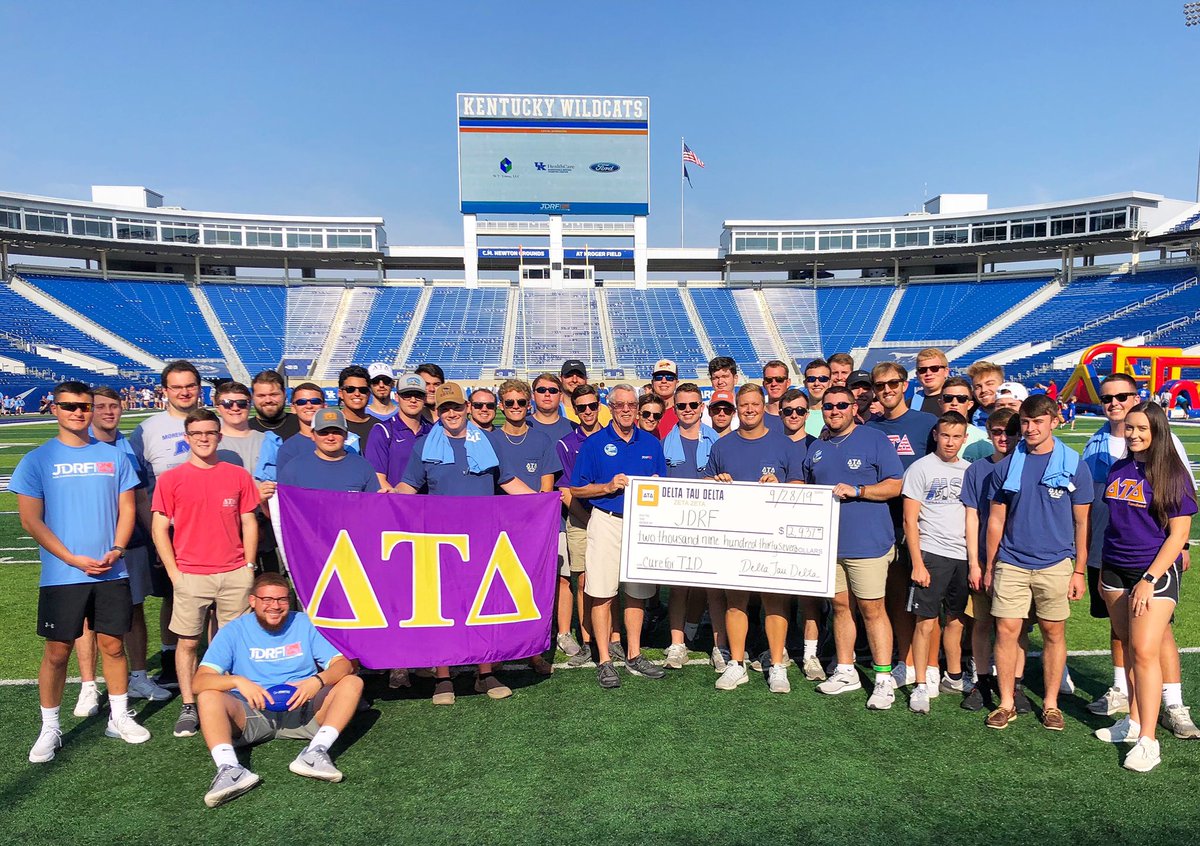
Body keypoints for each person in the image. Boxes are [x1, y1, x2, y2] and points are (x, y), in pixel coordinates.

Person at [15, 381, 148, 763]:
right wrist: (72, 559)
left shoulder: (114, 457)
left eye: (85, 406)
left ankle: (119, 715)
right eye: (70, 406)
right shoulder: (37, 460)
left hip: (111, 570)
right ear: (54, 409)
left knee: (112, 645)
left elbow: (127, 509)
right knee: (57, 652)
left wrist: (117, 549)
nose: (78, 412)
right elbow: (30, 521)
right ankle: (50, 727)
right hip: (63, 574)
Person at [395, 382, 536, 704]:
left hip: (482, 538)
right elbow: (409, 485)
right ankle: (443, 677)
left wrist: (541, 502)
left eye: (457, 407)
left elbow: (508, 481)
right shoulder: (424, 447)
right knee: (443, 609)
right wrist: (380, 504)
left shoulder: (488, 441)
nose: (452, 413)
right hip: (441, 541)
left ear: (467, 409)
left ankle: (484, 673)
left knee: (482, 608)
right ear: (437, 412)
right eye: (445, 409)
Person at [1082, 373, 1199, 738]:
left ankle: (1161, 721)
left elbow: (1180, 526)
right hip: (1112, 565)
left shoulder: (1170, 462)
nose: (1133, 433)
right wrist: (1097, 565)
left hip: (1152, 567)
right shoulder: (1115, 459)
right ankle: (1132, 721)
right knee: (1129, 644)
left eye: (1140, 428)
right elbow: (1108, 515)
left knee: (1149, 645)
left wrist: (1160, 568)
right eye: (1130, 428)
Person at [193, 572, 364, 807]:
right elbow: (199, 681)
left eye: (282, 599)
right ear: (252, 601)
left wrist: (317, 680)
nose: (275, 606)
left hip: (303, 709)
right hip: (253, 713)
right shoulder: (233, 631)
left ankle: (315, 752)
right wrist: (237, 681)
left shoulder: (304, 622)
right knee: (208, 696)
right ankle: (229, 770)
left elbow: (344, 664)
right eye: (267, 600)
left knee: (353, 682)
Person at [983, 394, 1093, 731]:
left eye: (1037, 422)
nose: (1030, 429)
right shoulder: (1006, 466)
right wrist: (990, 566)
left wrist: (1078, 570)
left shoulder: (1074, 464)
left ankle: (1050, 704)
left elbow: (1082, 524)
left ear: (1054, 421)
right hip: (1012, 561)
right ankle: (1006, 702)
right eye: (1026, 423)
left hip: (1057, 563)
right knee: (1006, 631)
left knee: (1053, 632)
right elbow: (996, 521)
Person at [151, 408, 261, 740]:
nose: (203, 438)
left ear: (219, 435)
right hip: (191, 575)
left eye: (209, 433)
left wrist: (249, 566)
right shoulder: (171, 479)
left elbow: (249, 521)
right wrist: (174, 572)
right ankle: (189, 704)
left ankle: (224, 698)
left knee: (229, 643)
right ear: (187, 438)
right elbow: (159, 528)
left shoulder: (237, 474)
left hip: (234, 573)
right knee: (187, 643)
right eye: (197, 433)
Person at [805, 386, 903, 710]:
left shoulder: (874, 439)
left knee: (873, 610)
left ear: (853, 408)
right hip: (831, 545)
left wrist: (859, 490)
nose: (834, 410)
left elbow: (895, 484)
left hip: (868, 544)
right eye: (829, 406)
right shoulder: (816, 448)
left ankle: (884, 679)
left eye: (841, 405)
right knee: (841, 607)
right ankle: (846, 670)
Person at [706, 384, 806, 694]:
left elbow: (801, 484)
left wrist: (781, 485)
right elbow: (706, 483)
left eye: (755, 404)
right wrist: (717, 481)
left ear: (764, 407)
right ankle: (737, 664)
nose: (749, 409)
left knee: (773, 601)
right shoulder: (722, 446)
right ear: (736, 410)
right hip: (734, 536)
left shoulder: (784, 443)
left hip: (772, 537)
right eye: (744, 405)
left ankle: (777, 665)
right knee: (735, 602)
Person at [75, 387, 171, 710]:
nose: (107, 412)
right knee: (87, 614)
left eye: (113, 406)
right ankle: (88, 684)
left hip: (130, 542)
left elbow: (141, 497)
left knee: (134, 607)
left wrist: (156, 539)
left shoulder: (128, 448)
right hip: (91, 544)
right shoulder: (80, 447)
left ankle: (139, 675)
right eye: (99, 406)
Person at [569, 384, 668, 689]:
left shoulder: (651, 444)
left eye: (632, 405)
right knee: (602, 591)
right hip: (607, 520)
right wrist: (608, 486)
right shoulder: (595, 444)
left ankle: (634, 654)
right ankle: (604, 659)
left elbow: (663, 487)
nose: (626, 409)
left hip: (641, 524)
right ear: (609, 407)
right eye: (620, 404)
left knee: (637, 592)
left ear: (638, 408)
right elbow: (577, 488)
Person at [129, 360, 202, 690]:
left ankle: (217, 658)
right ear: (165, 391)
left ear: (199, 388)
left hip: (213, 523)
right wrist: (154, 533)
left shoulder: (215, 422)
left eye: (190, 385)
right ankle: (173, 659)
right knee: (174, 596)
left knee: (217, 597)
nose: (184, 392)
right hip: (170, 527)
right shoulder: (147, 429)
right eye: (177, 386)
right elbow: (137, 485)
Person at [865, 362, 937, 690]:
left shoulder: (927, 424)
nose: (887, 390)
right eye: (880, 386)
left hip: (924, 525)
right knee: (895, 597)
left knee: (926, 598)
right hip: (885, 523)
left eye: (893, 383)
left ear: (905, 385)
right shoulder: (869, 429)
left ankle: (931, 666)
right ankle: (903, 660)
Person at [961, 408, 1030, 713]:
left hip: (1021, 558)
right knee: (982, 621)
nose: (1005, 438)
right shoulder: (978, 469)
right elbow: (972, 516)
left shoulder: (1030, 465)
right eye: (998, 432)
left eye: (1011, 432)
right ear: (988, 434)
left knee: (1019, 626)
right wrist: (975, 562)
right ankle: (983, 679)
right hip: (987, 557)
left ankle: (1015, 682)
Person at [902, 412, 972, 713]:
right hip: (932, 553)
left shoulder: (970, 471)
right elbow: (910, 519)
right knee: (926, 621)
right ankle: (920, 684)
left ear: (965, 439)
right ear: (936, 435)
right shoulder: (921, 468)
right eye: (945, 435)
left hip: (963, 556)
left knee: (956, 618)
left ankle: (953, 676)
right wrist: (917, 562)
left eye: (957, 437)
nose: (950, 442)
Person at [492, 379, 561, 676]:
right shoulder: (490, 439)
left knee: (531, 592)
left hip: (532, 529)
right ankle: (493, 654)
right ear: (501, 406)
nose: (517, 407)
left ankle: (533, 652)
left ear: (529, 403)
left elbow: (547, 490)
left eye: (521, 402)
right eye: (510, 403)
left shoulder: (541, 440)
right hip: (497, 529)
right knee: (496, 593)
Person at [661, 382, 719, 670]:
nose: (687, 410)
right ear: (674, 408)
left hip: (710, 521)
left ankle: (708, 638)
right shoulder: (665, 443)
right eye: (681, 405)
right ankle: (677, 642)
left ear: (701, 407)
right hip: (677, 522)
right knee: (678, 586)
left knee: (710, 584)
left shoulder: (716, 441)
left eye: (693, 405)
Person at [557, 384, 606, 667]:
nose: (587, 411)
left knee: (611, 581)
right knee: (583, 580)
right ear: (574, 410)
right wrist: (590, 520)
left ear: (598, 405)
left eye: (592, 406)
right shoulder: (565, 443)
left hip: (612, 520)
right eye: (581, 407)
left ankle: (612, 639)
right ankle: (587, 640)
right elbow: (565, 491)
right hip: (580, 519)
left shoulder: (611, 436)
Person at [780, 387, 825, 681]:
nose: (794, 415)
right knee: (779, 595)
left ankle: (810, 654)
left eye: (799, 410)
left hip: (808, 529)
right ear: (780, 413)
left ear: (807, 414)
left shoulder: (818, 445)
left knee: (810, 597)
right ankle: (779, 647)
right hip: (776, 527)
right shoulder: (770, 443)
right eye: (788, 411)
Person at [279, 409, 382, 493]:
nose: (330, 437)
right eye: (323, 432)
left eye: (337, 432)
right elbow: (281, 510)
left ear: (346, 434)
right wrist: (266, 502)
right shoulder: (294, 469)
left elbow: (373, 506)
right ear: (313, 435)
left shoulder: (363, 466)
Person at [365, 373, 433, 496]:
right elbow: (378, 478)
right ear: (397, 397)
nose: (413, 400)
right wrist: (399, 503)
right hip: (397, 506)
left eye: (418, 395)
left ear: (425, 398)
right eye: (407, 395)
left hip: (428, 507)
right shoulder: (382, 431)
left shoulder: (433, 431)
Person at [214, 381, 268, 473]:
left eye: (241, 403)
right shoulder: (208, 442)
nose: (235, 408)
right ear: (218, 408)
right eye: (227, 403)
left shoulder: (267, 441)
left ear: (250, 405)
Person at [249, 370, 301, 441]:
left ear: (284, 394)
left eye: (273, 395)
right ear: (253, 397)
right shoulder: (245, 429)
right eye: (261, 396)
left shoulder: (302, 425)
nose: (268, 400)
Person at [561, 360, 612, 426]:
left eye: (579, 376)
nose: (574, 380)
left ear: (586, 379)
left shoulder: (603, 411)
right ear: (561, 378)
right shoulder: (554, 411)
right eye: (569, 375)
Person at [337, 365, 377, 445]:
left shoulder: (379, 427)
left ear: (369, 394)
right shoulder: (330, 426)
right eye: (350, 389)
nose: (357, 394)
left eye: (363, 390)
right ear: (340, 393)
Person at [967, 361, 1006, 427]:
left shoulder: (1019, 418)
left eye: (989, 384)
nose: (983, 390)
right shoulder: (967, 421)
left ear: (1002, 385)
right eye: (978, 387)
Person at [912, 348, 950, 414]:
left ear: (946, 372)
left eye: (934, 368)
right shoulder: (909, 406)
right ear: (917, 374)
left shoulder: (960, 400)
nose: (928, 373)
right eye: (922, 370)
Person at [649, 359, 679, 437]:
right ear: (652, 382)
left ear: (676, 383)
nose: (664, 381)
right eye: (658, 377)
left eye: (669, 378)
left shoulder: (684, 411)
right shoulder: (641, 412)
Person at [801, 359, 830, 437]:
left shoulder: (837, 413)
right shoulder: (796, 414)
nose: (817, 383)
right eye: (811, 379)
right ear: (805, 383)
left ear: (830, 383)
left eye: (823, 379)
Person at [764, 359, 794, 425]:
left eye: (779, 379)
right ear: (764, 384)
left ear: (788, 382)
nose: (774, 384)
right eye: (769, 380)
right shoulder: (756, 417)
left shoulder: (798, 416)